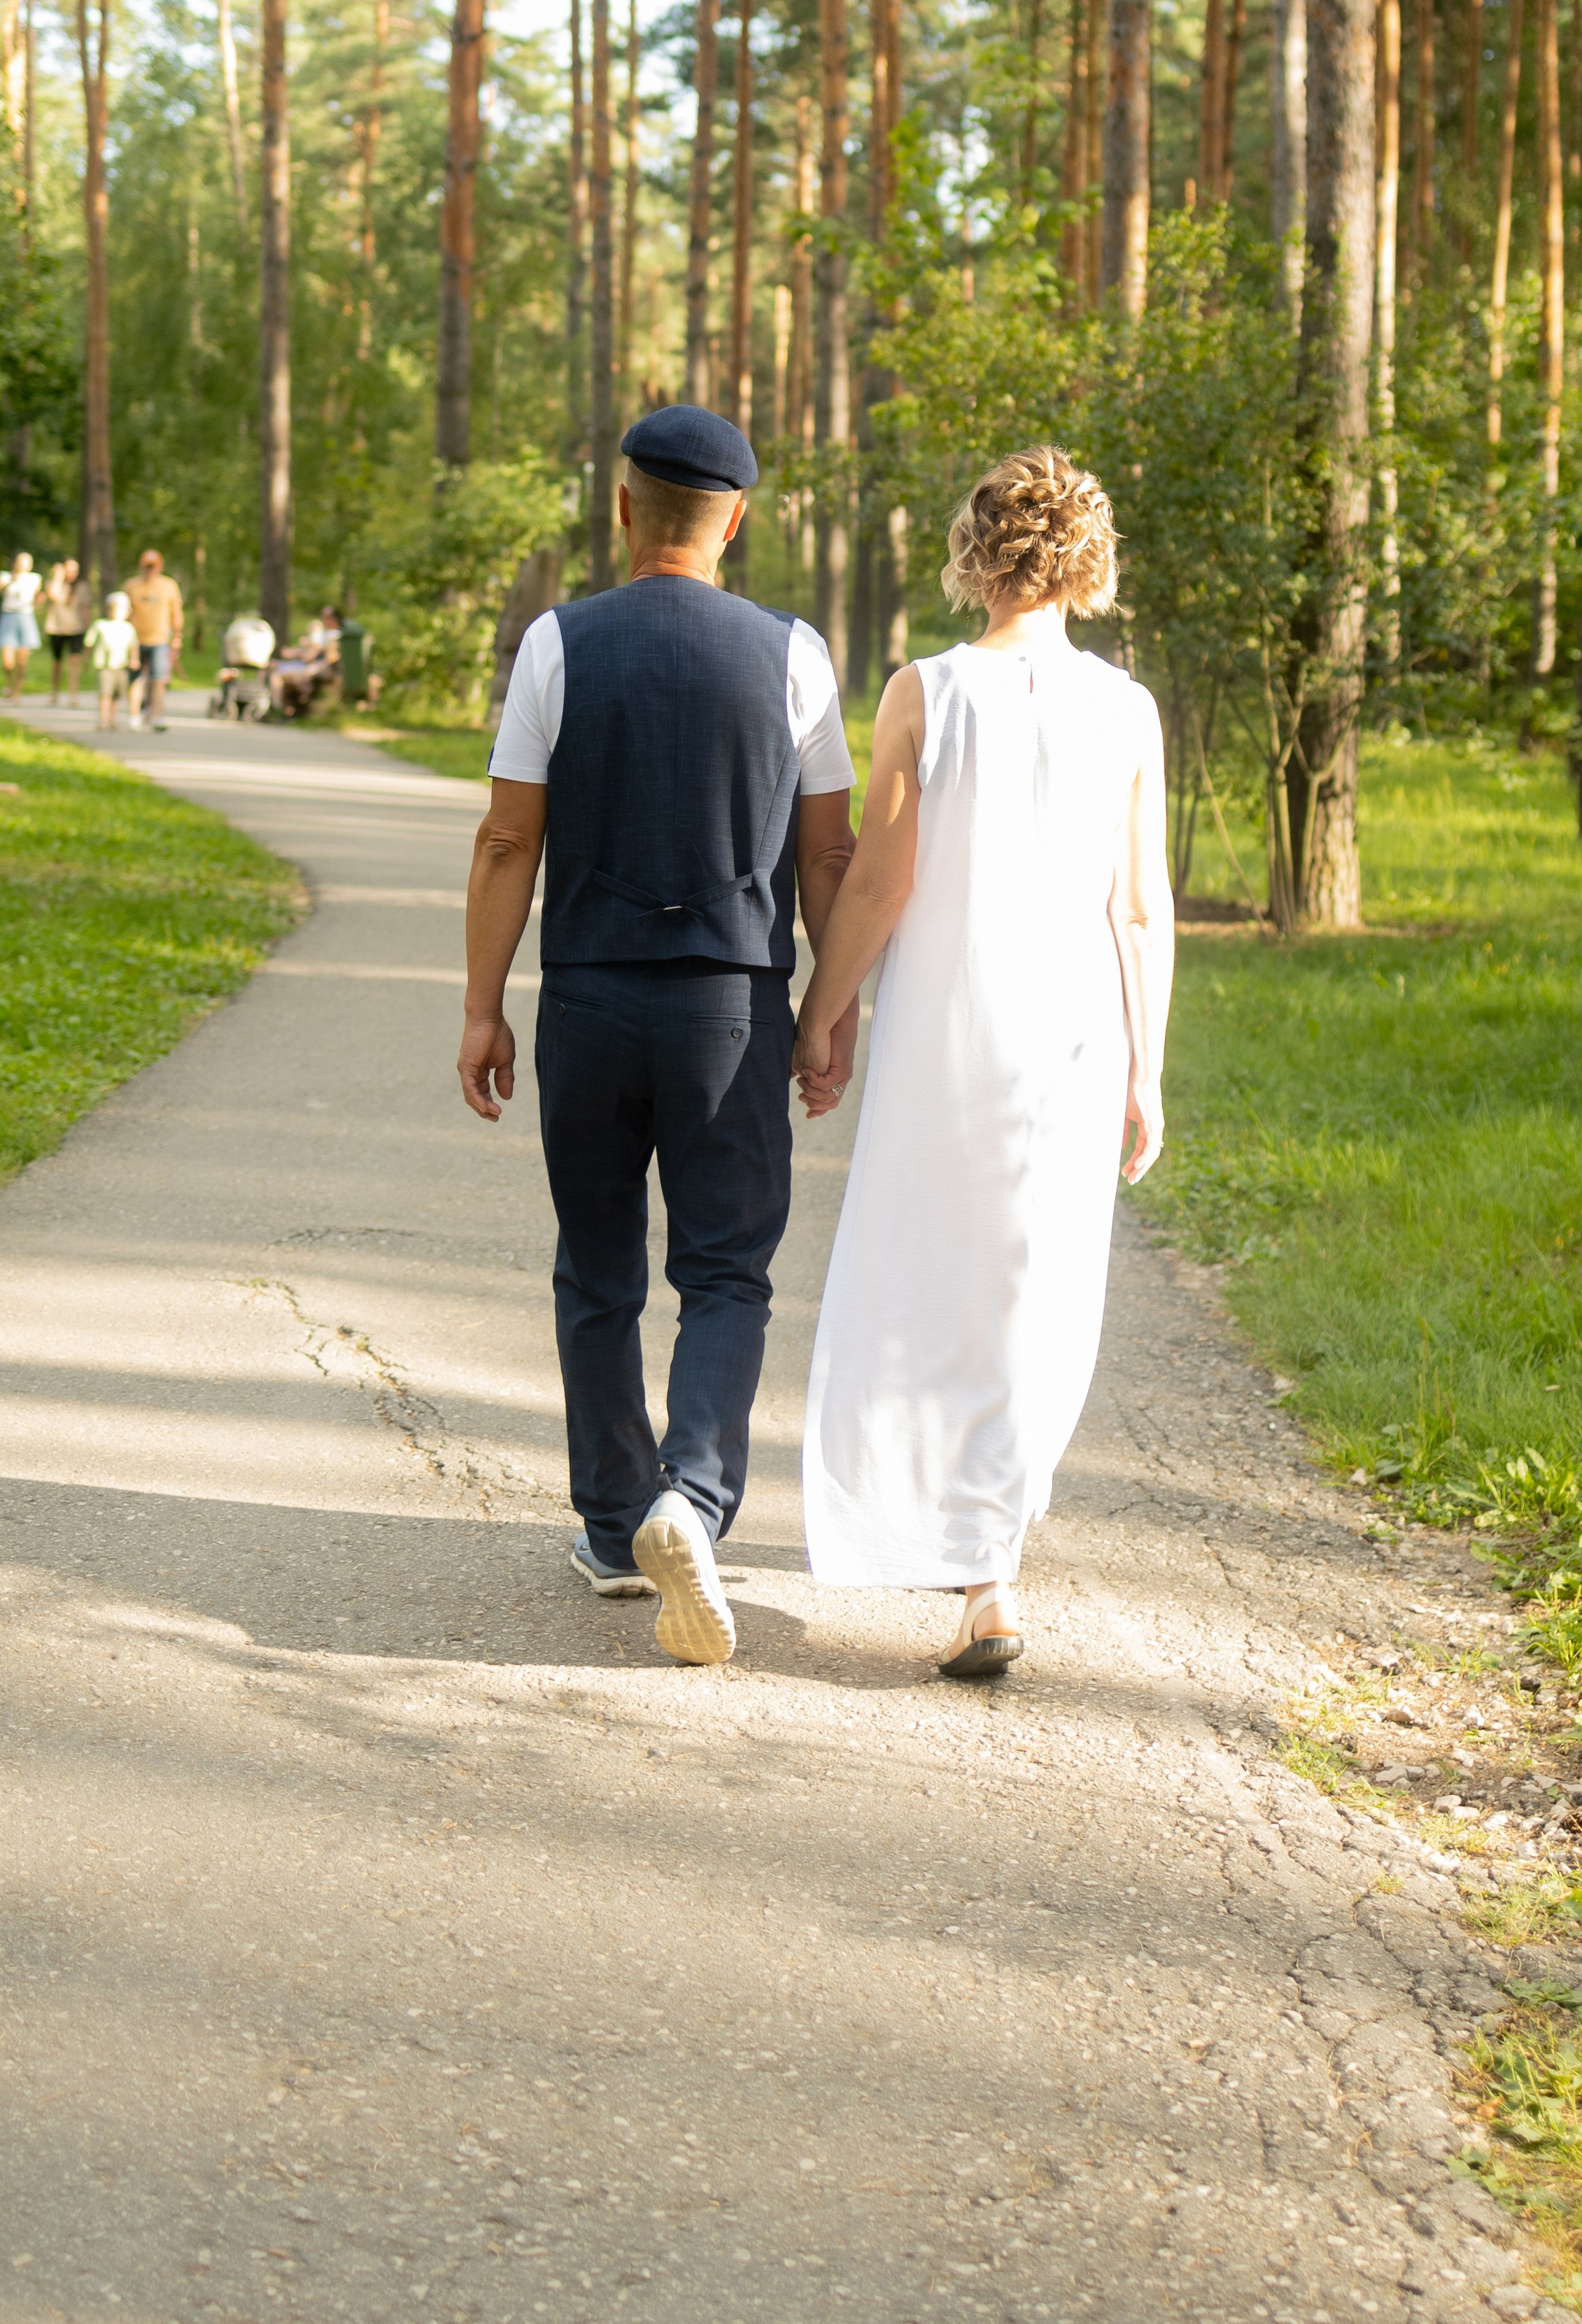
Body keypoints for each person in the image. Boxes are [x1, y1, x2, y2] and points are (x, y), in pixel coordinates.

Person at [457, 407, 857, 1667]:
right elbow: (829, 851)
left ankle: (615, 1519)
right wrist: (829, 1011)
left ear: (622, 507)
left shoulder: (557, 645)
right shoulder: (796, 654)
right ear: (735, 520)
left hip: (588, 997)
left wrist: (482, 1005)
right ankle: (693, 1496)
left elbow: (509, 839)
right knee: (727, 1271)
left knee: (598, 1268)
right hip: (734, 1008)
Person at [793, 448, 1176, 1679]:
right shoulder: (1126, 707)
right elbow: (1139, 908)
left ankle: (974, 1561)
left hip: (949, 1035)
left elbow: (884, 879)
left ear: (977, 550)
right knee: (1037, 1284)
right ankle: (991, 1562)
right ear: (1088, 557)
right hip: (1074, 1036)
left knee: (926, 1272)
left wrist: (824, 1009)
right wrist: (1147, 1067)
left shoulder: (928, 689)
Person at [124, 548, 185, 730]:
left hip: (160, 640)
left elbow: (176, 612)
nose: (150, 570)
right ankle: (135, 715)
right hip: (135, 640)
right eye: (147, 567)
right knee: (135, 680)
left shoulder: (169, 586)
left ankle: (157, 715)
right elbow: (124, 613)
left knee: (158, 679)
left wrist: (177, 636)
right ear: (141, 567)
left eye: (153, 567)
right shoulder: (131, 586)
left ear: (160, 567)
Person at [84, 593, 139, 730]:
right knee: (105, 693)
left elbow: (134, 646)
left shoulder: (129, 628)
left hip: (121, 666)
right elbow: (89, 643)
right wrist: (85, 661)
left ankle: (113, 720)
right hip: (105, 666)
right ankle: (103, 719)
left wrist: (134, 660)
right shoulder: (100, 625)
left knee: (116, 695)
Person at [42, 558, 92, 704]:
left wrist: (89, 629)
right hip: (56, 628)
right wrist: (58, 576)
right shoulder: (53, 584)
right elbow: (53, 596)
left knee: (74, 662)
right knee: (57, 662)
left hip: (76, 629)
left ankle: (73, 695)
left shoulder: (82, 587)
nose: (71, 574)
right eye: (68, 570)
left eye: (74, 570)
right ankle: (54, 693)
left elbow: (85, 609)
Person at [0, 553, 41, 700]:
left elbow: (35, 599)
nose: (23, 565)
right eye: (20, 561)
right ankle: (8, 685)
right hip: (9, 616)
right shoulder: (5, 576)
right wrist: (9, 582)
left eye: (26, 562)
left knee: (21, 661)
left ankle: (17, 692)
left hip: (25, 617)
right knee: (8, 662)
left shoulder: (35, 578)